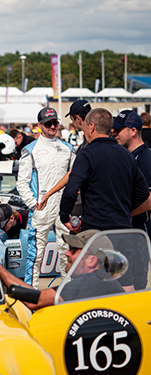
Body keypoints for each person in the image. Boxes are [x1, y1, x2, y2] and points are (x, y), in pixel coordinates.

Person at [59, 108, 151, 291]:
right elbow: (142, 193)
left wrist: (64, 217)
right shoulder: (126, 154)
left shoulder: (87, 154)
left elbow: (71, 190)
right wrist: (124, 209)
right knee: (126, 283)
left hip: (96, 233)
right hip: (124, 231)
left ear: (91, 127)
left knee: (93, 283)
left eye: (85, 126)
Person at [17, 107, 76, 289]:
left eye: (55, 123)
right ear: (39, 125)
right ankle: (31, 293)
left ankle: (68, 292)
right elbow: (22, 182)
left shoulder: (68, 148)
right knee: (36, 255)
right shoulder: (30, 150)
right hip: (41, 208)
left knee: (67, 251)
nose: (52, 126)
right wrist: (33, 205)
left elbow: (75, 178)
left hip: (64, 208)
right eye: (48, 123)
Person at [0, 230, 124, 310]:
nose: (67, 253)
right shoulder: (104, 281)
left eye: (73, 250)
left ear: (91, 260)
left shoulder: (89, 282)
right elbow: (38, 296)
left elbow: (33, 301)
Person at [112, 110, 151, 290]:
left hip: (139, 231)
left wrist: (124, 215)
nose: (114, 133)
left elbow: (150, 200)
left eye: (119, 130)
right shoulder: (125, 155)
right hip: (125, 230)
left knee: (136, 285)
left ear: (133, 131)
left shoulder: (145, 157)